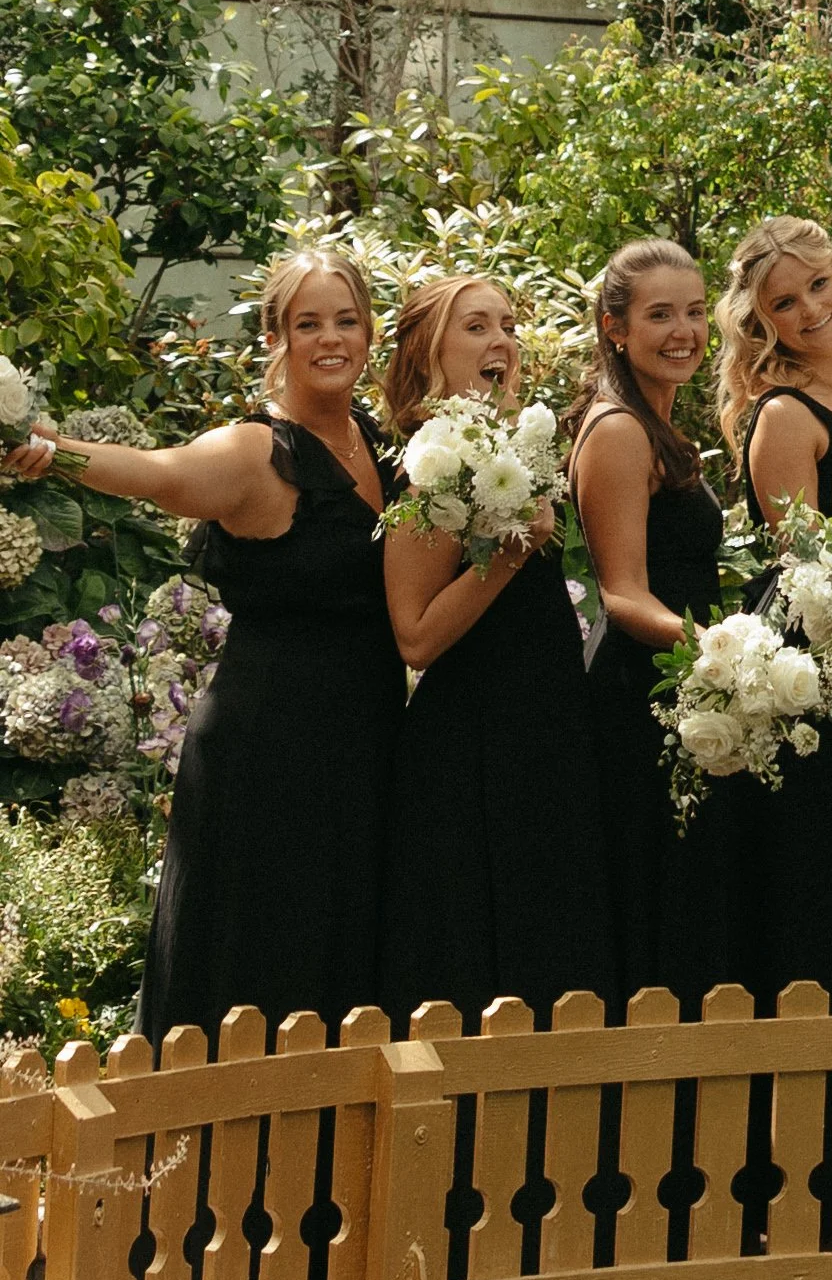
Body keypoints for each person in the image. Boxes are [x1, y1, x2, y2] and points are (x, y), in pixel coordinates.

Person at [8, 251, 402, 1045]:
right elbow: (157, 472)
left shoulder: (375, 438)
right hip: (272, 743)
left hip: (364, 738)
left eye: (346, 320)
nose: (331, 339)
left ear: (370, 330)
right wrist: (57, 449)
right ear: (276, 338)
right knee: (263, 957)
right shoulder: (255, 450)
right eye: (308, 323)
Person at [380, 273, 613, 1028]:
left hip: (544, 726)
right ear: (429, 350)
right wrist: (509, 555)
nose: (502, 341)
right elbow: (414, 636)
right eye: (476, 327)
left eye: (508, 325)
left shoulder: (512, 444)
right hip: (474, 742)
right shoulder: (432, 459)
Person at [716, 215, 832, 1008]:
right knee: (826, 877)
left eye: (818, 284)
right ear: (763, 326)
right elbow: (806, 562)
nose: (810, 310)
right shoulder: (786, 414)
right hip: (820, 673)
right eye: (784, 304)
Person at [571, 239, 741, 1010]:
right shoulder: (618, 431)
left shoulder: (660, 423)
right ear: (615, 328)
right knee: (655, 900)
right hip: (642, 692)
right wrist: (725, 650)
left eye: (696, 312)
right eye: (660, 314)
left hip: (683, 680)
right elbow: (623, 595)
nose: (684, 331)